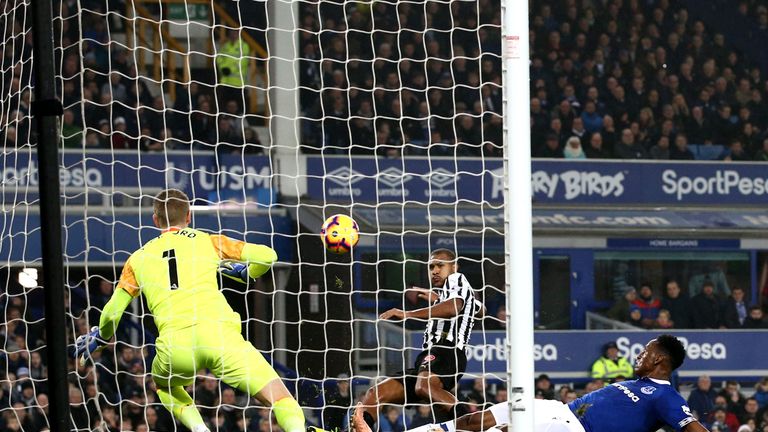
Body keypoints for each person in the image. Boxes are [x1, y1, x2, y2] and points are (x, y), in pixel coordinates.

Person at [74, 189, 305, 432]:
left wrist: (100, 337)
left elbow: (112, 312)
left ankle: (199, 428)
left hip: (176, 348)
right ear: (189, 216)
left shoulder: (137, 259)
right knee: (281, 399)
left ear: (155, 220)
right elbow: (268, 256)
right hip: (221, 340)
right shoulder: (208, 241)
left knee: (164, 387)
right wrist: (245, 273)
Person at [351, 335, 710, 432]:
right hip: (558, 410)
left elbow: (694, 428)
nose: (638, 357)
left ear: (660, 360)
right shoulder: (637, 384)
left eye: (645, 352)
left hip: (574, 429)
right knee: (475, 423)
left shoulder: (666, 397)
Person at [356, 249, 484, 431]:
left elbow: (454, 307)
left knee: (423, 386)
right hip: (428, 356)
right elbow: (481, 310)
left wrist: (406, 313)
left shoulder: (457, 279)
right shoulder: (451, 293)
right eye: (431, 266)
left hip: (447, 351)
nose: (435, 271)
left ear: (454, 267)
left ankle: (472, 424)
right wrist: (441, 298)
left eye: (440, 265)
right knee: (375, 394)